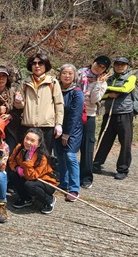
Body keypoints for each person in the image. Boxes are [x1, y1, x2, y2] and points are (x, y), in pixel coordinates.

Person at [93, 57, 136, 180]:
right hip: (109, 114)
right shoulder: (110, 78)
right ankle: (96, 164)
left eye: (123, 64)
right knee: (104, 139)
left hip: (125, 114)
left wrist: (107, 88)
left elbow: (125, 89)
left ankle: (123, 169)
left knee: (125, 143)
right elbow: (102, 95)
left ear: (127, 66)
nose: (120, 67)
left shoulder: (131, 77)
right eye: (117, 64)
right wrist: (109, 94)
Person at [14, 53, 64, 154]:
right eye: (34, 63)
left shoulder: (53, 82)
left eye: (40, 63)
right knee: (27, 155)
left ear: (46, 65)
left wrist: (58, 123)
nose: (37, 66)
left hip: (46, 126)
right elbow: (19, 106)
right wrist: (18, 102)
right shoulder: (24, 83)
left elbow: (59, 104)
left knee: (44, 156)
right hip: (28, 125)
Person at [77, 56, 112, 188]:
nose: (99, 68)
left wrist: (98, 84)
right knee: (69, 147)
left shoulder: (102, 83)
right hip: (73, 115)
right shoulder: (79, 74)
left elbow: (94, 99)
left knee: (87, 147)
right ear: (93, 62)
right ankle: (71, 174)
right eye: (98, 64)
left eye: (103, 67)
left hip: (88, 116)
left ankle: (86, 177)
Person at [8, 128, 58, 214]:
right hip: (26, 175)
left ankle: (49, 200)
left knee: (30, 185)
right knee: (12, 174)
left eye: (32, 140)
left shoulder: (42, 157)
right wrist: (16, 168)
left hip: (44, 182)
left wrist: (28, 160)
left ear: (38, 144)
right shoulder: (19, 148)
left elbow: (32, 176)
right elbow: (11, 160)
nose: (28, 142)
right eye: (27, 138)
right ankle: (26, 198)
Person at [53, 64, 84, 201]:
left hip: (73, 130)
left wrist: (67, 134)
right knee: (60, 155)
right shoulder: (56, 89)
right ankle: (64, 183)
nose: (67, 76)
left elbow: (75, 116)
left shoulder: (77, 92)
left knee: (70, 156)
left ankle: (74, 188)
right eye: (64, 73)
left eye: (70, 73)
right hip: (56, 128)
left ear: (74, 76)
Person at [0, 65, 22, 153]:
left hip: (11, 129)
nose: (1, 79)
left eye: (4, 76)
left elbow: (20, 111)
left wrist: (10, 116)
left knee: (10, 152)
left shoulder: (14, 91)